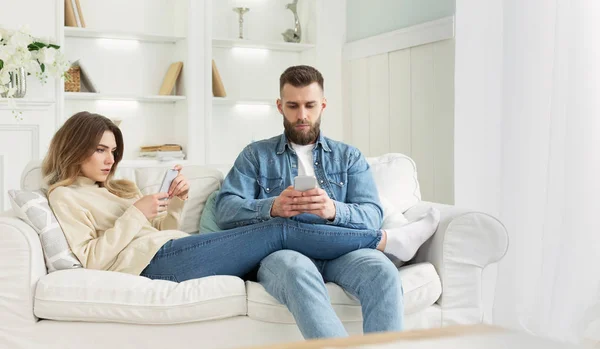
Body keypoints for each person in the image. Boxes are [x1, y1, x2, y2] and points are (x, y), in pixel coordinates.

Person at [216, 65, 440, 339]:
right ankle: (390, 241)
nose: (302, 115)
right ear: (279, 106)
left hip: (342, 253)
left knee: (382, 272)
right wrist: (272, 207)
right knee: (297, 271)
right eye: (293, 106)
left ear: (323, 105)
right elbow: (225, 209)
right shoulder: (255, 155)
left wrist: (334, 210)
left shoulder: (348, 157)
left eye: (310, 105)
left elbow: (371, 214)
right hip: (283, 254)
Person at [44, 111, 396, 283]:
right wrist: (135, 214)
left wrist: (173, 201)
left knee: (283, 228)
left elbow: (158, 230)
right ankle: (382, 240)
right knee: (277, 228)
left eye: (113, 151)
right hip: (152, 266)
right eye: (101, 150)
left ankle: (370, 242)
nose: (110, 159)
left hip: (171, 249)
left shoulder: (117, 189)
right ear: (75, 150)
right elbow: (91, 260)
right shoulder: (65, 198)